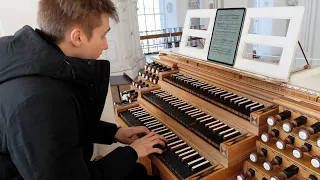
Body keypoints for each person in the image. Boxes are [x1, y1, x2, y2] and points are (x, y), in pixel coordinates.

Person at [0, 0, 167, 179]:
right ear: (77, 37)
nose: (106, 45)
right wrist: (132, 152)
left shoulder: (39, 63)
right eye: (103, 36)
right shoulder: (40, 101)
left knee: (136, 172)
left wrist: (114, 133)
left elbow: (65, 126)